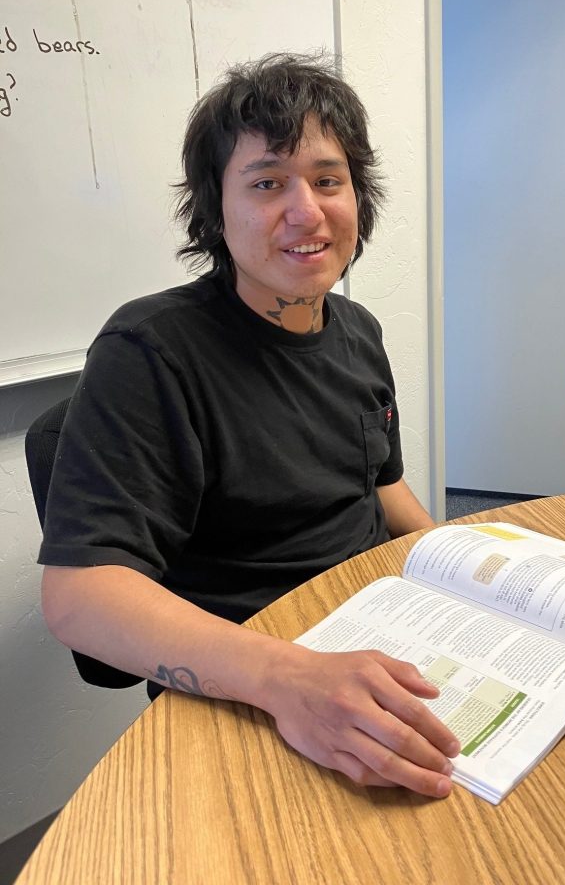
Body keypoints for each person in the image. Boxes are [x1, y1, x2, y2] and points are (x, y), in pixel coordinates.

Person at [38, 53, 460, 799]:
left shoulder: (357, 331)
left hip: (371, 634)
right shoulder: (150, 352)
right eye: (267, 183)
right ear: (214, 210)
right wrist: (291, 680)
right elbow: (81, 597)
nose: (307, 211)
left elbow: (384, 487)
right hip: (250, 685)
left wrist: (456, 569)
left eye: (329, 181)